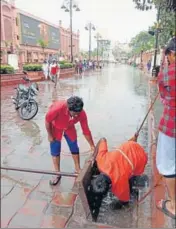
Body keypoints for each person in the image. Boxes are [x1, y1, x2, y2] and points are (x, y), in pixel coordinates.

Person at [45, 96, 95, 185]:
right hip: (56, 127)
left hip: (69, 127)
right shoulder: (57, 108)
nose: (76, 116)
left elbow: (86, 130)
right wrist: (50, 135)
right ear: (68, 109)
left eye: (78, 113)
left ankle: (77, 169)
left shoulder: (81, 113)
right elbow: (47, 120)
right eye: (74, 113)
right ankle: (57, 173)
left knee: (74, 146)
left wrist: (92, 145)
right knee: (55, 150)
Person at [91, 135, 148, 206]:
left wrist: (116, 205)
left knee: (130, 178)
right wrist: (94, 156)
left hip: (140, 157)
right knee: (125, 170)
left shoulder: (119, 181)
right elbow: (103, 139)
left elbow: (125, 201)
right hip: (129, 145)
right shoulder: (101, 160)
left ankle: (134, 180)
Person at [156, 37, 176, 219]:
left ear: (170, 54)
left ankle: (173, 206)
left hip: (171, 126)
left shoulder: (165, 74)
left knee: (168, 165)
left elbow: (163, 97)